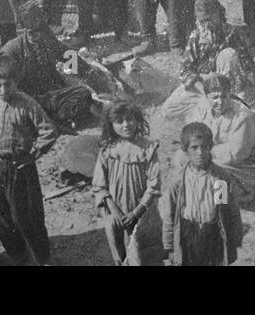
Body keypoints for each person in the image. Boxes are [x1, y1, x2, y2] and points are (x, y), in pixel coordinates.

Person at [0, 54, 58, 266]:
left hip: (18, 166)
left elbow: (49, 131)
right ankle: (17, 255)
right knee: (2, 217)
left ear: (16, 82)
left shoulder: (27, 105)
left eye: (8, 85)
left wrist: (33, 154)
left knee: (26, 216)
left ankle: (43, 258)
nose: (3, 91)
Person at [160, 122, 243, 266]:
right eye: (194, 147)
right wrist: (170, 247)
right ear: (185, 149)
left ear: (210, 147)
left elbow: (228, 210)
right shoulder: (180, 180)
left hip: (212, 233)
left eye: (204, 147)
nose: (200, 152)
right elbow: (169, 215)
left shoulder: (219, 178)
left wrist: (234, 241)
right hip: (188, 233)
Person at [93, 99, 162, 266]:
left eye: (130, 119)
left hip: (142, 212)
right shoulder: (107, 150)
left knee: (142, 251)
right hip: (115, 212)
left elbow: (153, 186)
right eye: (119, 121)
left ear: (137, 120)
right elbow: (99, 185)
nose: (126, 125)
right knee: (119, 248)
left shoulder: (148, 149)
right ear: (111, 125)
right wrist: (115, 211)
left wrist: (136, 213)